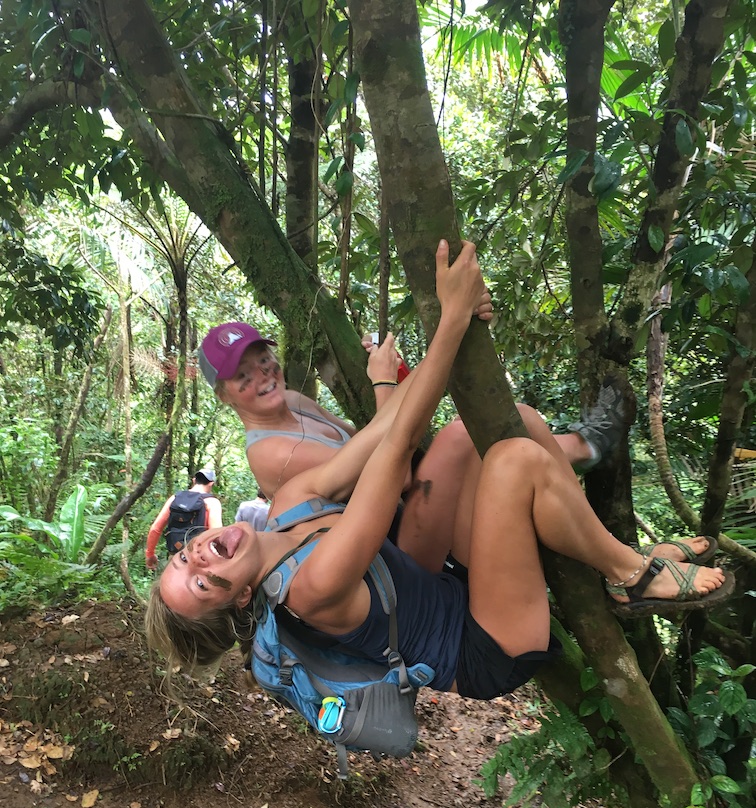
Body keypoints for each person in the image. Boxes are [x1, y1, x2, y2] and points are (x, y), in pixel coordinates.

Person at [147, 240, 733, 691]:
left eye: (182, 557)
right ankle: (632, 577)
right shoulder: (311, 586)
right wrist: (449, 322)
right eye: (200, 582)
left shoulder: (288, 506)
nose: (197, 556)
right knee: (515, 462)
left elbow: (378, 435)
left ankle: (621, 557)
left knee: (517, 426)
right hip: (484, 647)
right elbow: (397, 448)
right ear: (239, 600)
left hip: (450, 584)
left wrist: (457, 327)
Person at [197, 310, 627, 575]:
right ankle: (615, 554)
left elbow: (367, 439)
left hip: (411, 511)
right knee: (463, 434)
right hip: (402, 552)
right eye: (243, 376)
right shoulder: (270, 452)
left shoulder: (294, 401)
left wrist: (396, 375)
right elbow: (394, 473)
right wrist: (386, 381)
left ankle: (583, 450)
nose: (263, 375)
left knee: (520, 420)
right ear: (224, 395)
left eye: (264, 359)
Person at [145, 468, 222, 570]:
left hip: (175, 557)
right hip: (198, 560)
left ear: (194, 480)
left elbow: (156, 528)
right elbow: (215, 535)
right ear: (211, 484)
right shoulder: (212, 502)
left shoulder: (175, 498)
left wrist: (150, 554)